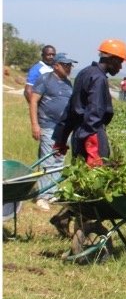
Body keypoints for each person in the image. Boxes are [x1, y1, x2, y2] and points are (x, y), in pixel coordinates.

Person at [50, 39, 126, 236]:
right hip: (92, 134)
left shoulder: (84, 73)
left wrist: (61, 138)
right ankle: (83, 229)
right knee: (95, 183)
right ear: (110, 59)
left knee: (81, 181)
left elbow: (70, 110)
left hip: (79, 134)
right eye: (119, 62)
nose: (120, 67)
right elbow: (94, 113)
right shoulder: (99, 79)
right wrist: (93, 145)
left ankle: (66, 217)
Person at [28, 53, 77, 210]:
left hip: (63, 128)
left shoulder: (68, 83)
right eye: (65, 65)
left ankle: (52, 192)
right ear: (56, 65)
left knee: (58, 160)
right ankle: (42, 196)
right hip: (48, 125)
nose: (69, 68)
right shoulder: (45, 80)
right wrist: (35, 124)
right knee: (47, 160)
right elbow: (34, 101)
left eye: (70, 65)